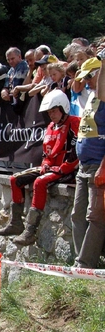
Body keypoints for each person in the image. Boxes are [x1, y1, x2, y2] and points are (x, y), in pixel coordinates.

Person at [0, 90, 80, 245]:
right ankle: (16, 223)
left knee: (39, 183)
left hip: (66, 170)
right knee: (15, 179)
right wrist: (47, 163)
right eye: (49, 112)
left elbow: (77, 152)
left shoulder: (75, 123)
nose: (51, 115)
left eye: (54, 111)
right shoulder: (51, 126)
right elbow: (47, 152)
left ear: (63, 108)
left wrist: (62, 168)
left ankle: (30, 231)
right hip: (51, 167)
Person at [72, 56, 105, 268]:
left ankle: (85, 264)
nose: (86, 82)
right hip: (83, 166)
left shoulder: (101, 96)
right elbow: (76, 86)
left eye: (89, 77)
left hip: (97, 166)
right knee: (77, 215)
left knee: (95, 216)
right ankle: (79, 259)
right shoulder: (91, 96)